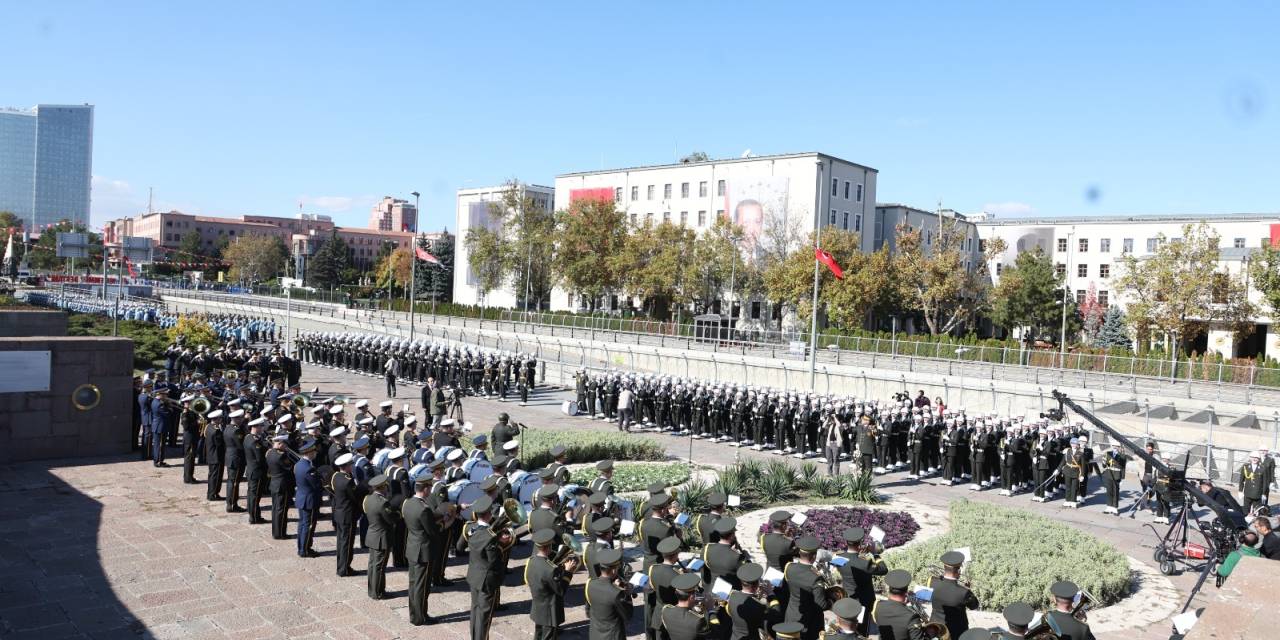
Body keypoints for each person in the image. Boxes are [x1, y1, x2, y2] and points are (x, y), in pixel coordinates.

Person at [466, 495, 511, 640]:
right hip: (486, 579)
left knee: (475, 610)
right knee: (484, 616)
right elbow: (493, 560)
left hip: (474, 575)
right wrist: (502, 545)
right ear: (489, 514)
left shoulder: (471, 529)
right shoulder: (490, 537)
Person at [526, 528, 577, 640]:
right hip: (549, 611)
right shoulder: (550, 569)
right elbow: (561, 590)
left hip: (538, 608)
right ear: (548, 546)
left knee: (538, 635)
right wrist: (568, 572)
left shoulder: (531, 560)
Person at [403, 476, 441, 625]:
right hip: (423, 552)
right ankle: (420, 617)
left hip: (412, 547)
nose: (430, 491)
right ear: (425, 489)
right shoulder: (423, 509)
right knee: (422, 587)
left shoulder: (408, 503)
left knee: (414, 584)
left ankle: (414, 614)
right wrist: (443, 524)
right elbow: (432, 531)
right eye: (429, 488)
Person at [782, 535, 830, 640]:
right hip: (809, 622)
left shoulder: (789, 567)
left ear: (800, 552)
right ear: (814, 556)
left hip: (791, 615)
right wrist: (832, 600)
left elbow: (787, 589)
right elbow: (821, 605)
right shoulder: (816, 578)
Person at [928, 551, 979, 638]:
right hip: (956, 632)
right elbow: (974, 606)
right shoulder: (964, 592)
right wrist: (968, 590)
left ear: (944, 567)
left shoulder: (932, 581)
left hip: (935, 627)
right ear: (959, 570)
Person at [587, 547, 634, 640]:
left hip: (595, 634)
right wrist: (626, 594)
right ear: (613, 570)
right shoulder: (616, 593)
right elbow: (628, 614)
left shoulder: (590, 584)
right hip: (612, 636)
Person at [872, 569, 926, 640]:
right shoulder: (912, 617)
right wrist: (929, 634)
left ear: (889, 588)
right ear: (906, 591)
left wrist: (903, 605)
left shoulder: (877, 605)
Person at [659, 573, 714, 640]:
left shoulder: (666, 610)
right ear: (691, 597)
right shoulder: (698, 620)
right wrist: (711, 610)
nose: (698, 595)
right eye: (696, 593)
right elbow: (713, 634)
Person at [364, 474, 393, 599]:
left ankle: (372, 590)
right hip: (382, 537)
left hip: (372, 535)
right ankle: (378, 592)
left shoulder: (368, 498)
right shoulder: (383, 503)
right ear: (382, 487)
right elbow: (390, 519)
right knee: (379, 566)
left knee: (372, 565)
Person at [331, 453, 359, 577]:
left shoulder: (336, 476)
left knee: (341, 542)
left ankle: (341, 566)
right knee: (347, 543)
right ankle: (344, 569)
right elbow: (354, 497)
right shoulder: (348, 481)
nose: (352, 467)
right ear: (346, 466)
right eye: (350, 465)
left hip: (339, 512)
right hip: (348, 515)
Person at [293, 438, 322, 558]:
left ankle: (301, 547)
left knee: (303, 524)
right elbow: (316, 485)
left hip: (302, 497)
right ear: (309, 452)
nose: (315, 453)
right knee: (308, 526)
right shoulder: (308, 468)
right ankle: (305, 550)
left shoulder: (299, 464)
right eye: (314, 451)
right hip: (309, 500)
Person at [266, 433, 293, 540]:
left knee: (276, 509)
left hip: (274, 484)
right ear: (280, 443)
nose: (286, 446)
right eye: (285, 444)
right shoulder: (281, 455)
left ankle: (276, 532)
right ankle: (280, 533)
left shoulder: (269, 453)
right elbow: (290, 467)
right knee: (281, 510)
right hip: (282, 485)